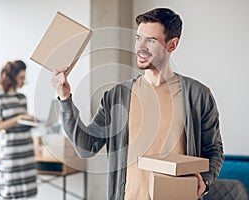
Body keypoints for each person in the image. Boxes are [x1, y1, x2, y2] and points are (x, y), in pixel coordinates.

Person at [51, 8, 223, 200]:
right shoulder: (117, 96)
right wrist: (65, 99)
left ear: (172, 45)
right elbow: (86, 147)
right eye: (138, 38)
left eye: (150, 40)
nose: (140, 47)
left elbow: (213, 150)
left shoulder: (198, 95)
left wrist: (205, 182)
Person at [0, 60, 37, 199]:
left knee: (27, 193)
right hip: (11, 153)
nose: (24, 81)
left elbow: (21, 122)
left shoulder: (22, 98)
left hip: (26, 151)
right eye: (21, 78)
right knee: (11, 193)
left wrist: (31, 121)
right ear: (11, 78)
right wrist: (19, 118)